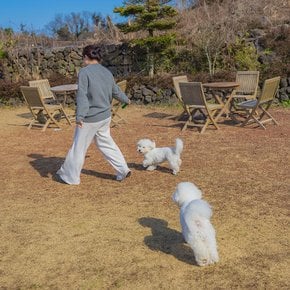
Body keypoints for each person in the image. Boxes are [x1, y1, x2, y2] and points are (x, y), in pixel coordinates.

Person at [56, 45, 131, 184]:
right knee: (107, 144)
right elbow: (115, 90)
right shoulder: (106, 72)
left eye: (83, 57)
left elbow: (82, 96)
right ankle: (123, 169)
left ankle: (70, 177)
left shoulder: (84, 72)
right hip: (105, 117)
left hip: (90, 118)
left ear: (86, 57)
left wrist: (80, 116)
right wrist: (126, 99)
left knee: (78, 147)